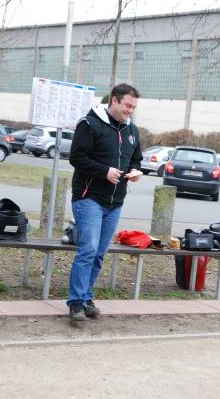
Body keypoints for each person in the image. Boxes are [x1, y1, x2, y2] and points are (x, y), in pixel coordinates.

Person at [67, 83, 143, 322]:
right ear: (114, 100)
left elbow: (136, 160)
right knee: (88, 249)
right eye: (127, 106)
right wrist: (104, 172)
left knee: (100, 253)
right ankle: (76, 302)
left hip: (115, 202)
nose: (130, 111)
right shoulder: (89, 124)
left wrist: (135, 172)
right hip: (89, 197)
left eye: (133, 107)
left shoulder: (132, 131)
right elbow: (76, 157)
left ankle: (87, 297)